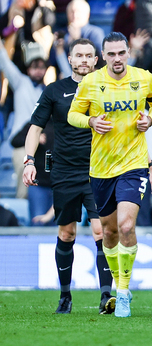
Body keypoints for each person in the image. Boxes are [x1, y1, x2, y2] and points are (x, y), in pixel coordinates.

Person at [67, 32, 152, 318]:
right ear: (103, 56)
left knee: (125, 227)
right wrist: (90, 121)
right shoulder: (91, 82)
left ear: (128, 52)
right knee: (108, 233)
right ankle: (120, 285)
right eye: (111, 54)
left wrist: (151, 118)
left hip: (134, 165)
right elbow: (73, 115)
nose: (117, 58)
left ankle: (122, 292)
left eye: (121, 52)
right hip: (100, 169)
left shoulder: (144, 78)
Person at [22, 38, 115, 314]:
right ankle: (65, 296)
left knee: (103, 230)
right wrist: (29, 161)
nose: (84, 60)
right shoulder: (55, 90)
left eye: (89, 55)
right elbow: (34, 127)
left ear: (96, 59)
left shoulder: (107, 87)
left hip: (99, 170)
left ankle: (106, 296)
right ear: (71, 60)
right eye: (79, 56)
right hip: (64, 171)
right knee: (67, 232)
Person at [0, 39, 48, 199]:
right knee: (24, 184)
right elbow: (5, 63)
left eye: (41, 68)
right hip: (21, 144)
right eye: (35, 68)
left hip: (41, 147)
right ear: (28, 69)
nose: (38, 72)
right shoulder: (21, 83)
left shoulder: (48, 91)